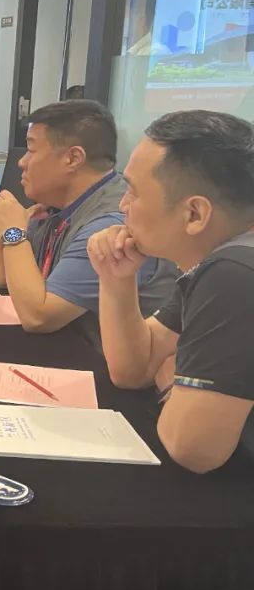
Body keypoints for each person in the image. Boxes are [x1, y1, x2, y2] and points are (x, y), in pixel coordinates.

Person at [88, 110, 254, 473]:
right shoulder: (217, 260)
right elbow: (133, 370)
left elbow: (192, 448)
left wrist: (171, 380)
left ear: (195, 214)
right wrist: (116, 276)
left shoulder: (235, 273)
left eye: (133, 191)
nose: (122, 206)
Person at [0, 100, 175, 346]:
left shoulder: (110, 224)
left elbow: (38, 318)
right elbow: (4, 278)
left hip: (95, 359)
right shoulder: (56, 205)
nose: (22, 161)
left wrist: (13, 232)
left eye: (31, 150)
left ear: (73, 158)